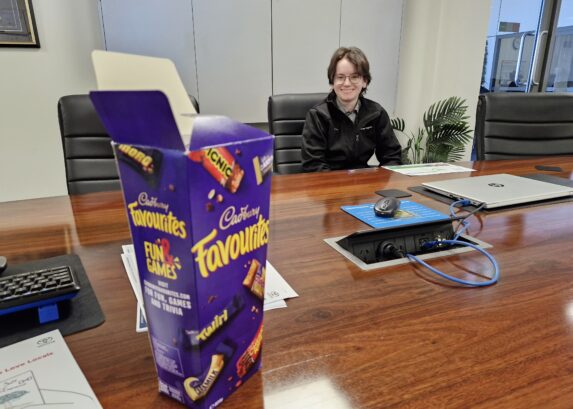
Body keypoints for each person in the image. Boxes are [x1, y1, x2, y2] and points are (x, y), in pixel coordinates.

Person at [301, 46, 402, 172]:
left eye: (354, 77)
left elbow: (392, 157)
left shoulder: (376, 113)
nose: (347, 83)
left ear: (365, 81)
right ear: (332, 82)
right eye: (340, 77)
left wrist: (380, 180)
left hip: (363, 181)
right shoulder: (318, 116)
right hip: (328, 181)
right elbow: (313, 165)